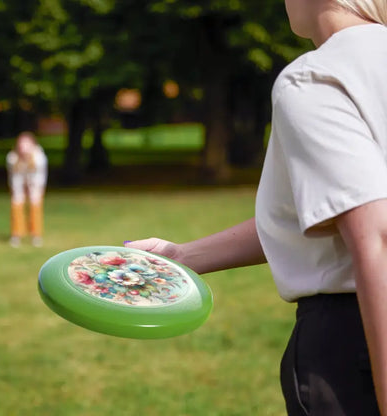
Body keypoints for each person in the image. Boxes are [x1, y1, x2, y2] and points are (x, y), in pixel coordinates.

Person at [124, 1, 387, 414]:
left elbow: (377, 237)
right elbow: (327, 211)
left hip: (356, 345)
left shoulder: (317, 78)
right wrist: (182, 256)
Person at [6, 131, 48, 247]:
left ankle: (36, 235)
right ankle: (16, 234)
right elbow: (14, 178)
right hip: (18, 182)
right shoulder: (12, 158)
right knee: (16, 204)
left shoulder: (39, 157)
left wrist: (35, 190)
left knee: (35, 204)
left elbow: (39, 177)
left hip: (35, 183)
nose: (23, 147)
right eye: (21, 144)